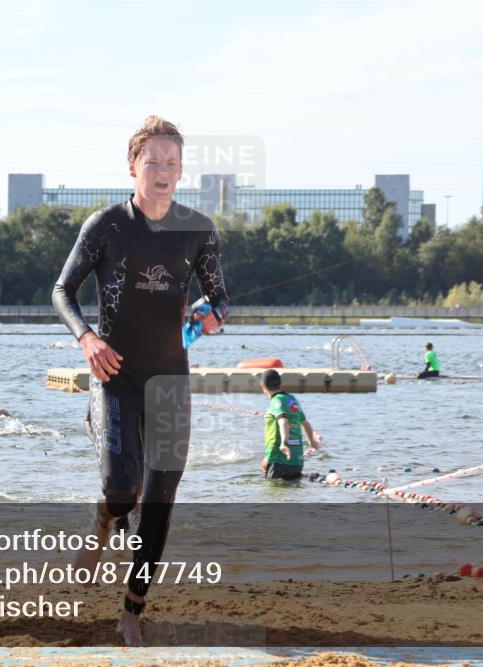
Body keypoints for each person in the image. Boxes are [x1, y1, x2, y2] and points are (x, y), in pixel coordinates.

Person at [52, 115, 229, 646]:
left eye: (172, 162)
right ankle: (103, 521)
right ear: (133, 166)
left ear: (181, 170)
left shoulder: (197, 230)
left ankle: (132, 610)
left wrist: (212, 315)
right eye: (153, 161)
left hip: (170, 377)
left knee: (160, 499)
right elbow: (62, 291)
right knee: (122, 489)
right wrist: (87, 338)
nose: (163, 170)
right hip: (116, 375)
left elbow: (220, 298)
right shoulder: (106, 226)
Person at [259, 369, 322, 480]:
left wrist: (284, 443)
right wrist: (312, 443)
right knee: (292, 488)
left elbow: (283, 421)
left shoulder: (276, 401)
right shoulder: (291, 399)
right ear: (280, 383)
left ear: (263, 386)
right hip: (297, 461)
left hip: (279, 459)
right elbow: (305, 423)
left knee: (273, 489)